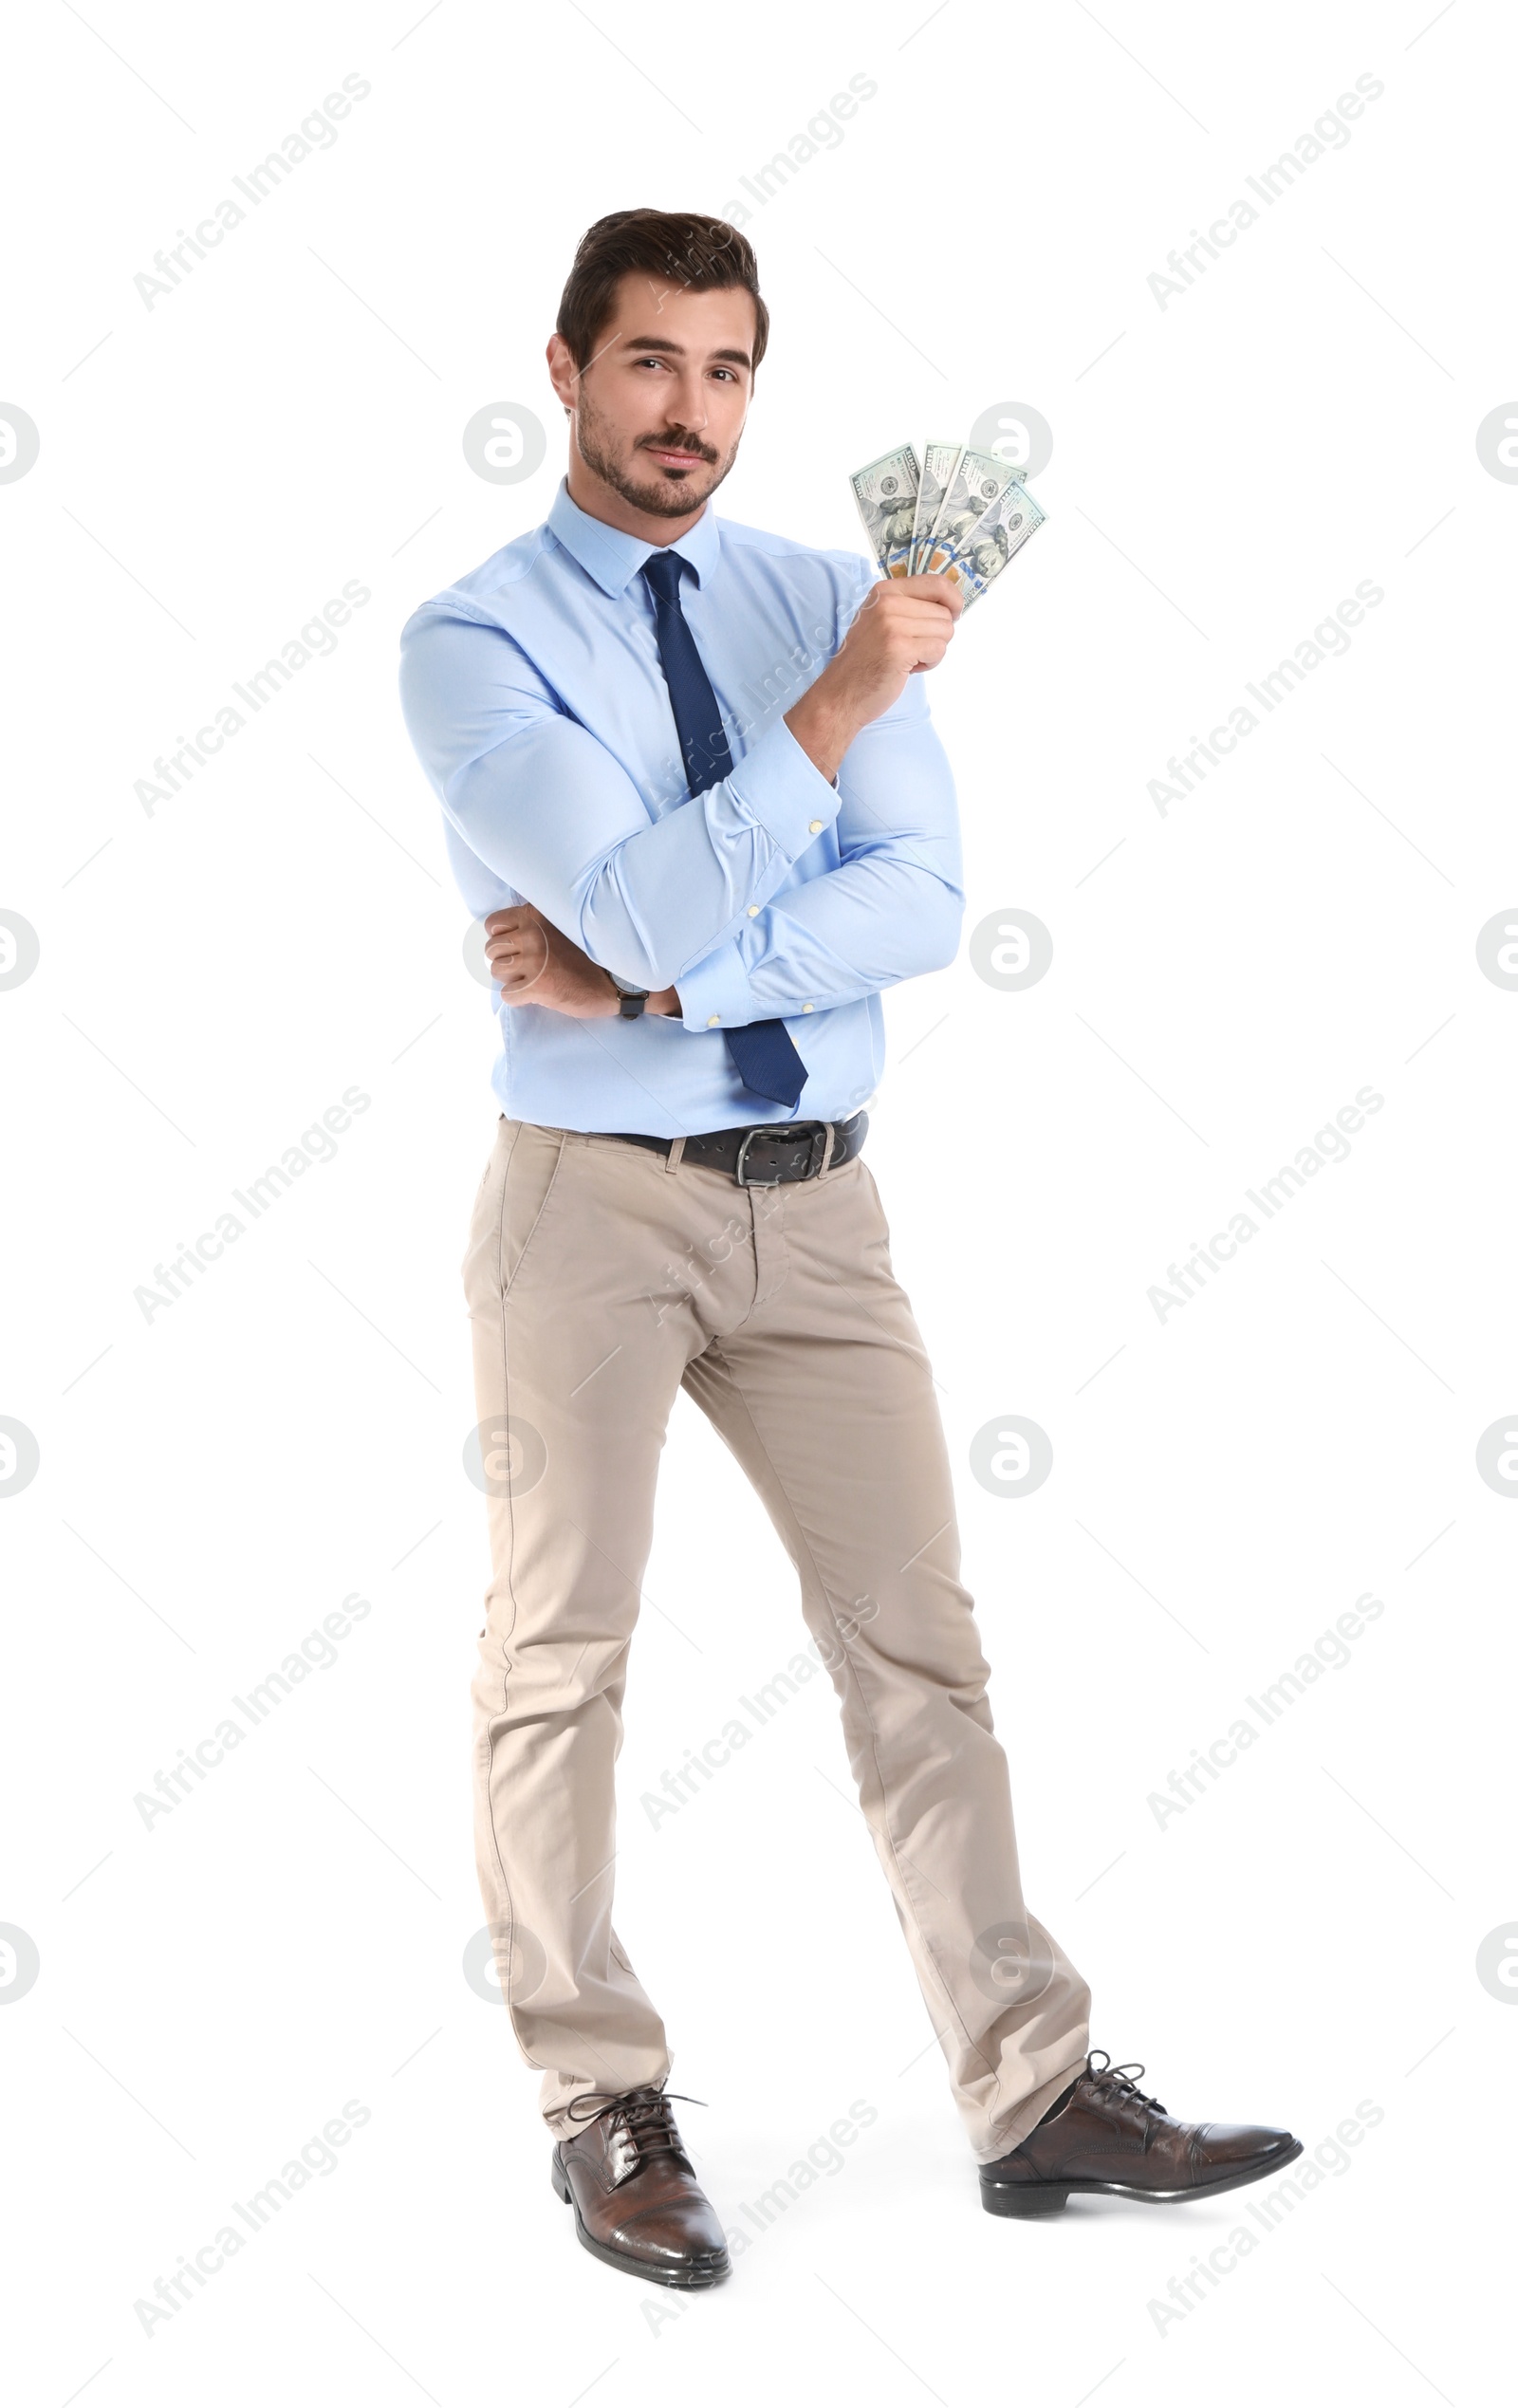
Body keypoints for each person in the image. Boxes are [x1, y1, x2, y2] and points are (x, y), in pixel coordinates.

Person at [398, 206, 1300, 2291]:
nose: (685, 411)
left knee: (921, 1654)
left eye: (723, 370)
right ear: (562, 372)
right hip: (586, 1218)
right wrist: (809, 740)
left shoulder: (826, 584)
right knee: (561, 1657)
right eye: (645, 363)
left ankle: (1028, 2087)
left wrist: (648, 991)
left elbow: (917, 903)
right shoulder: (474, 642)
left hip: (818, 1205)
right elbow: (612, 903)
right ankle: (594, 2099)